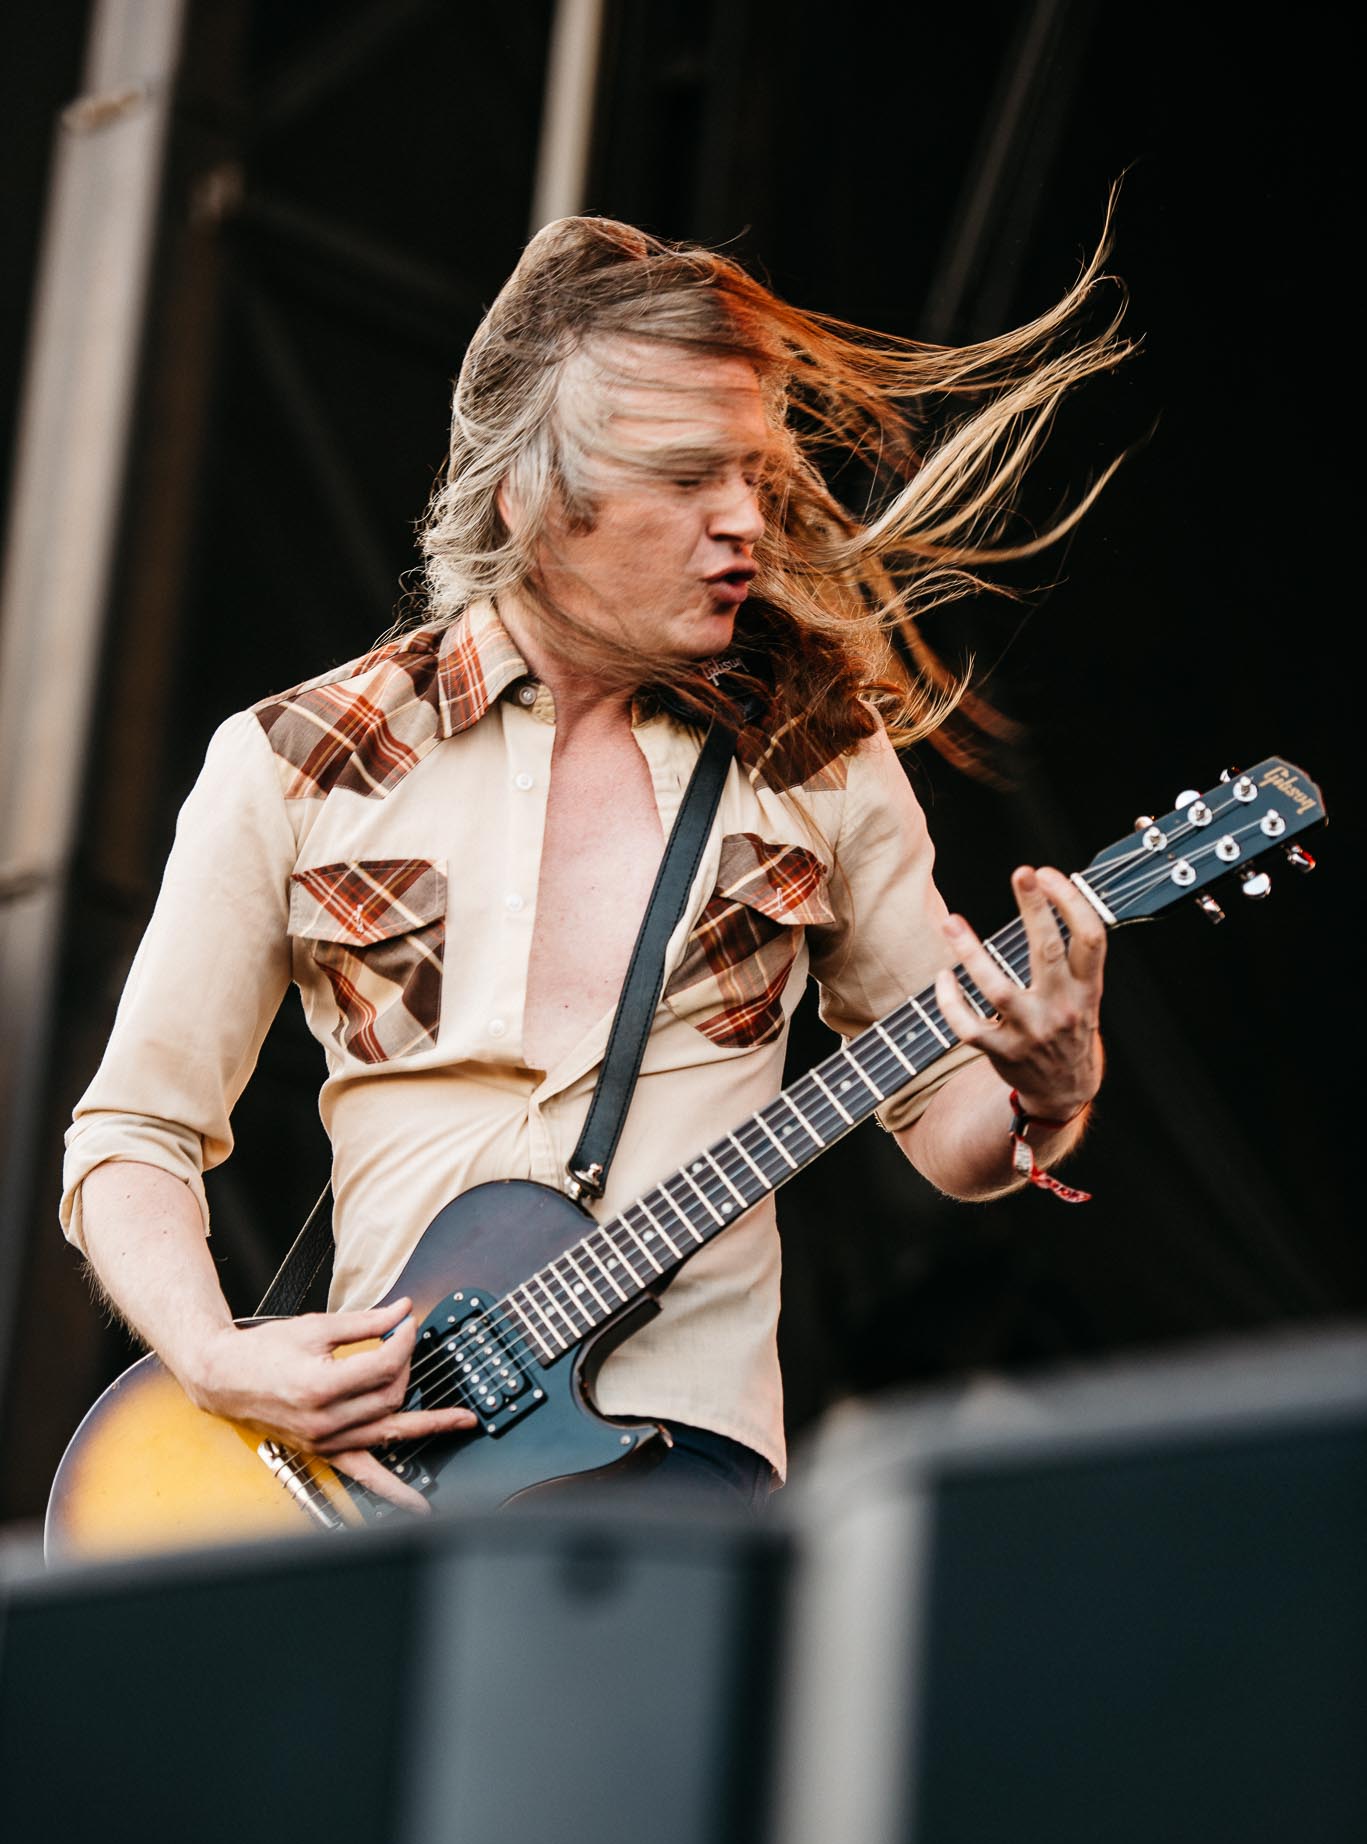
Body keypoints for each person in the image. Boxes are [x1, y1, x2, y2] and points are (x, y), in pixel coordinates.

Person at [60, 214, 1128, 1515]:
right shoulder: (297, 757)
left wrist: (1045, 1096)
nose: (743, 521)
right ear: (535, 495)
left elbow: (945, 1126)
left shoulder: (815, 755)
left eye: (750, 473)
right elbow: (132, 1136)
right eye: (687, 479)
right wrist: (219, 1361)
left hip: (679, 1464)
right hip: (375, 1483)